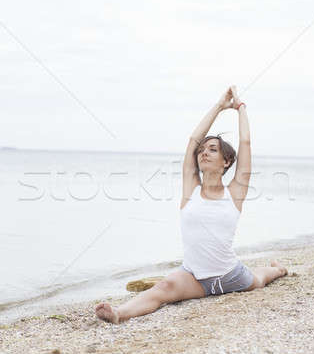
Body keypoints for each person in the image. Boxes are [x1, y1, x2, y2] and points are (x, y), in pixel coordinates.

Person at [95, 85, 288, 324]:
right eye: (202, 151)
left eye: (213, 149)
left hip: (231, 275)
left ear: (227, 161)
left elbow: (245, 143)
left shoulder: (235, 193)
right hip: (195, 279)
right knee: (164, 288)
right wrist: (219, 106)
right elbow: (192, 141)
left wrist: (240, 108)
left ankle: (279, 269)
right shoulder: (191, 190)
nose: (203, 153)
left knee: (259, 279)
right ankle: (119, 313)